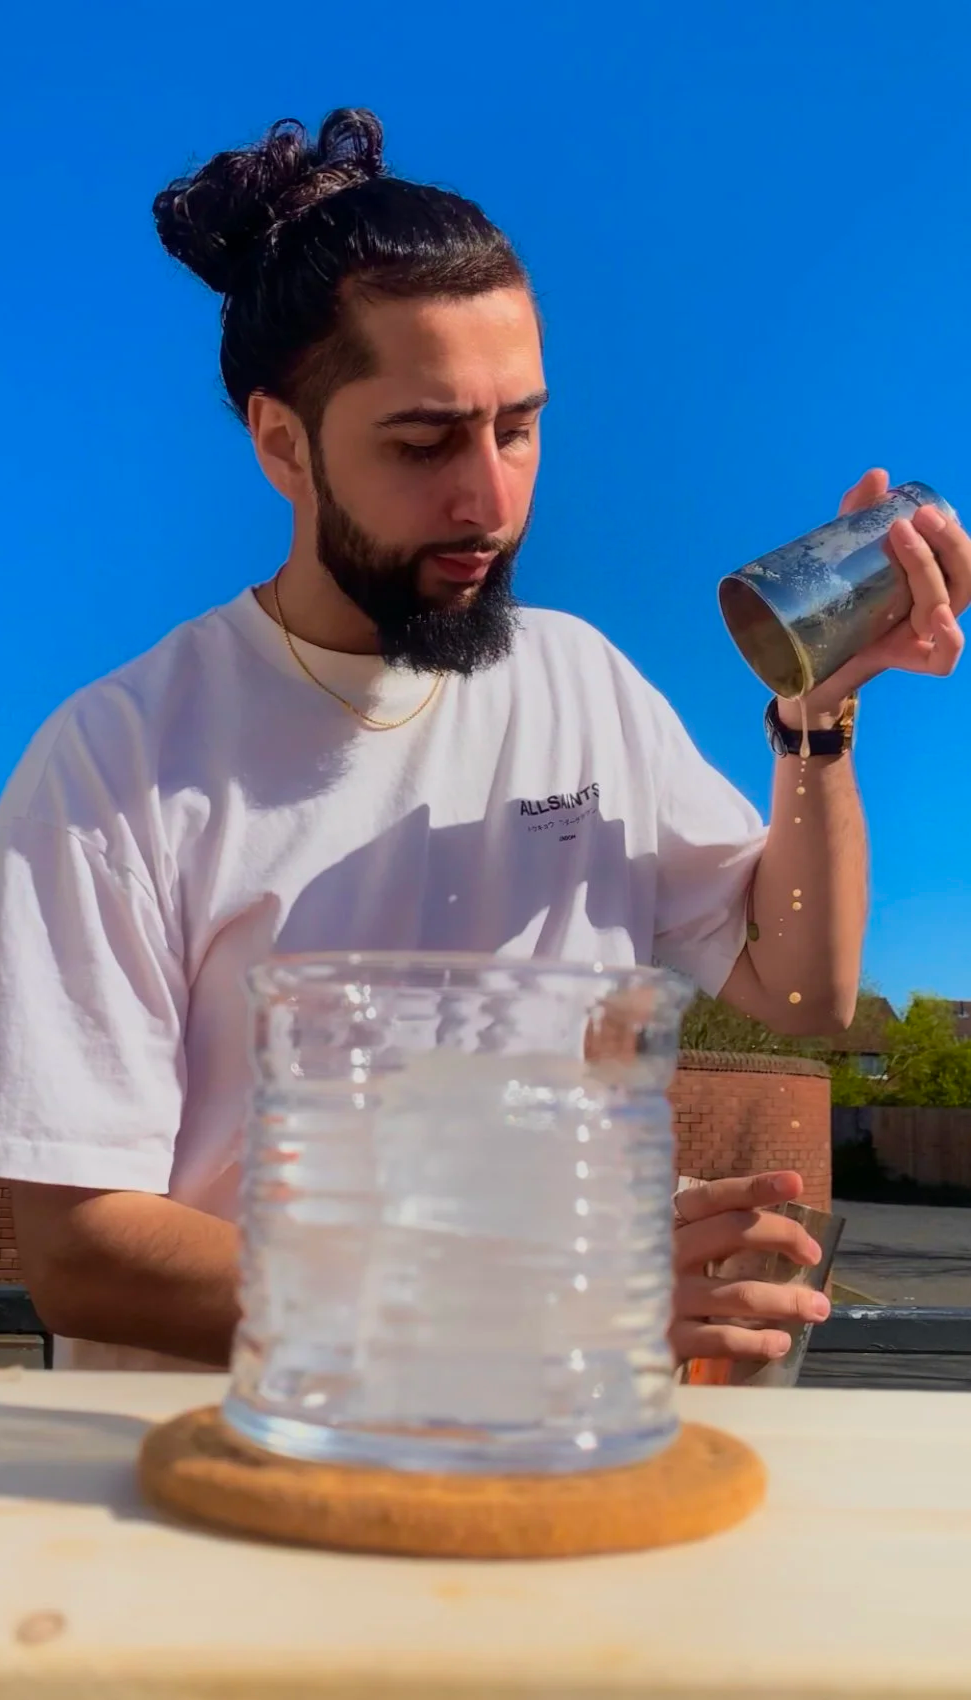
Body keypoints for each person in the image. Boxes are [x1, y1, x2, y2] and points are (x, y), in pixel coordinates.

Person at [0, 110, 966, 1374]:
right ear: (280, 441)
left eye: (517, 427)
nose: (491, 499)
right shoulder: (117, 760)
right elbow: (80, 1250)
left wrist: (815, 718)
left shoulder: (581, 683)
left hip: (550, 1444)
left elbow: (798, 988)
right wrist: (532, 1304)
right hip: (229, 1478)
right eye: (424, 441)